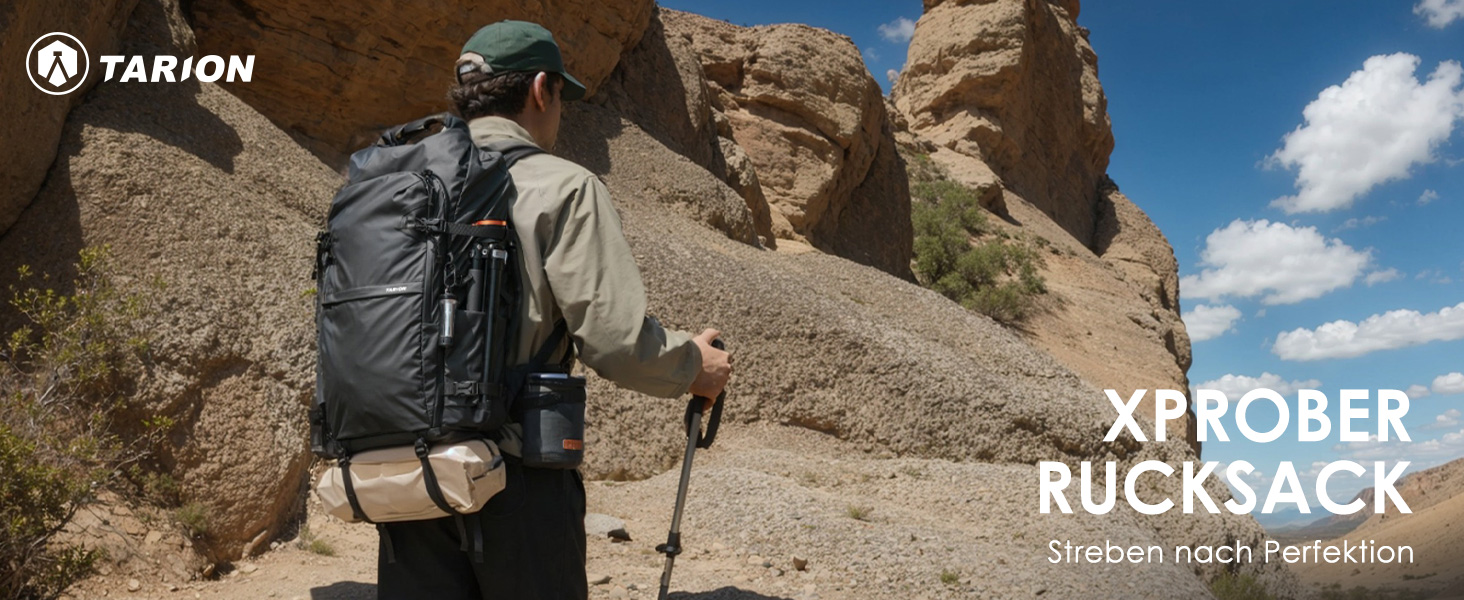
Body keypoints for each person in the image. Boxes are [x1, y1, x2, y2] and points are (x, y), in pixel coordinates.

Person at [375, 20, 733, 600]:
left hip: (400, 470)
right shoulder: (563, 186)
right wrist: (695, 365)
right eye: (561, 95)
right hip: (513, 478)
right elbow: (616, 342)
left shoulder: (398, 182)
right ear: (542, 89)